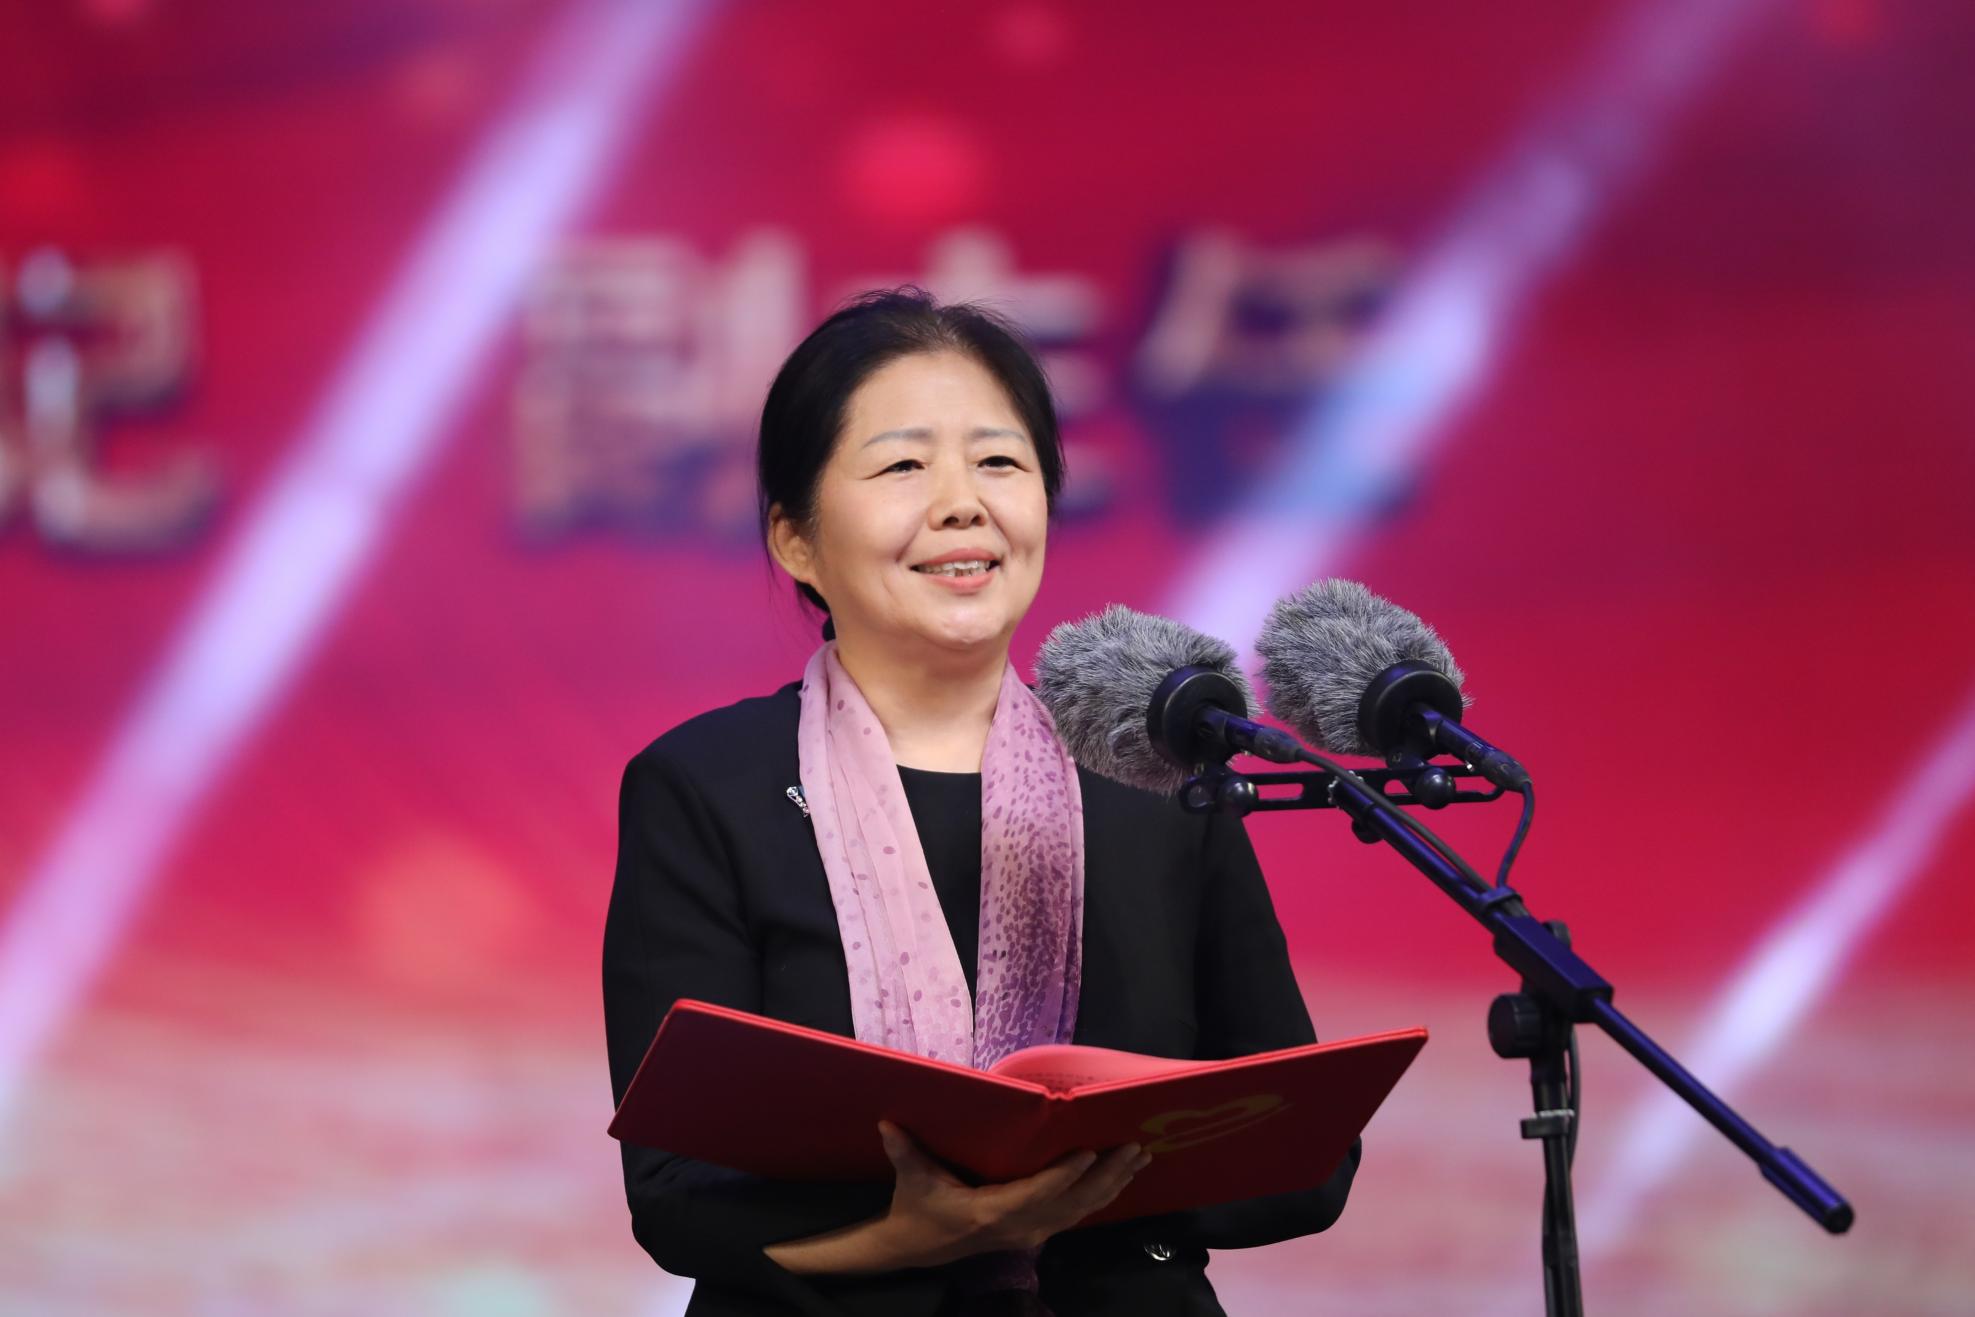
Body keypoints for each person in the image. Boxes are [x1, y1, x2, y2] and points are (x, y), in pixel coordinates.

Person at [602, 288, 1360, 1316]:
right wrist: (909, 1236)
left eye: (999, 462)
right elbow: (675, 1194)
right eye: (903, 466)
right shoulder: (704, 786)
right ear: (794, 538)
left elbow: (1308, 1156)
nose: (963, 503)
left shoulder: (1155, 774)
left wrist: (1079, 1188)